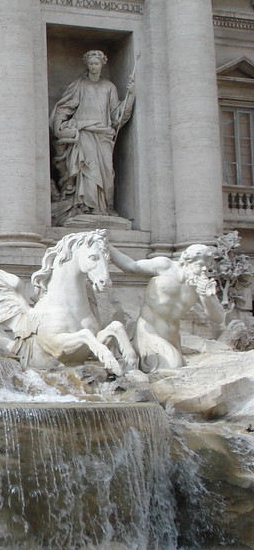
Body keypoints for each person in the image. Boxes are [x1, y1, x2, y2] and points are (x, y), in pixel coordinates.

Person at [108, 244, 226, 372]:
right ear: (187, 261)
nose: (204, 270)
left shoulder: (199, 285)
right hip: (149, 330)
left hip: (173, 336)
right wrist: (107, 246)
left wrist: (206, 296)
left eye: (207, 267)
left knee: (178, 370)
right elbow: (131, 266)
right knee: (174, 366)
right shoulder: (165, 266)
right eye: (200, 265)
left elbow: (218, 317)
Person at [50, 49, 135, 222]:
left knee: (106, 174)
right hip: (84, 133)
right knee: (88, 170)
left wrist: (131, 95)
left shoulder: (109, 87)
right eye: (90, 64)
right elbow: (65, 107)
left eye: (96, 63)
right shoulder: (79, 84)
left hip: (103, 135)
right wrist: (59, 125)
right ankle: (85, 207)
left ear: (102, 64)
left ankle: (102, 207)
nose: (93, 66)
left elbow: (116, 115)